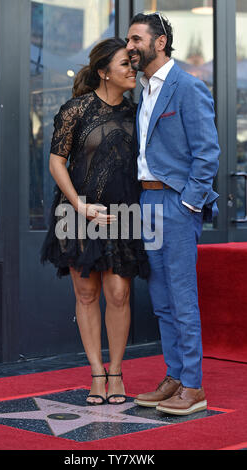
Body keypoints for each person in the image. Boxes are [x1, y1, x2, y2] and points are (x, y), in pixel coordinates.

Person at [41, 38, 149, 406]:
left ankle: (116, 371)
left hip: (123, 215)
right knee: (87, 295)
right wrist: (79, 205)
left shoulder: (137, 112)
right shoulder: (76, 109)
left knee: (118, 294)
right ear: (104, 71)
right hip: (77, 213)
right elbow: (57, 162)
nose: (132, 69)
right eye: (125, 64)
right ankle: (96, 374)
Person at [126, 12, 220, 415]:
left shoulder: (187, 87)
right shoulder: (144, 90)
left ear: (160, 41)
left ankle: (194, 387)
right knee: (161, 299)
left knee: (181, 297)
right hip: (148, 202)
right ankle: (175, 376)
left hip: (175, 204)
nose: (129, 47)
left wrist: (189, 202)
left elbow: (208, 152)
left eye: (135, 39)